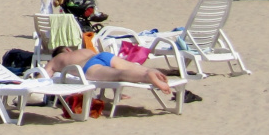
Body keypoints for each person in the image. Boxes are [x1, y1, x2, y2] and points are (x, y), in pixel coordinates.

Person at [45, 45, 173, 95]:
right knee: (132, 66)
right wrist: (117, 93)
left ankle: (147, 77)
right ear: (68, 49)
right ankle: (149, 71)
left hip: (88, 66)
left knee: (118, 74)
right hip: (101, 55)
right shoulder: (82, 50)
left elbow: (43, 77)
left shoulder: (56, 59)